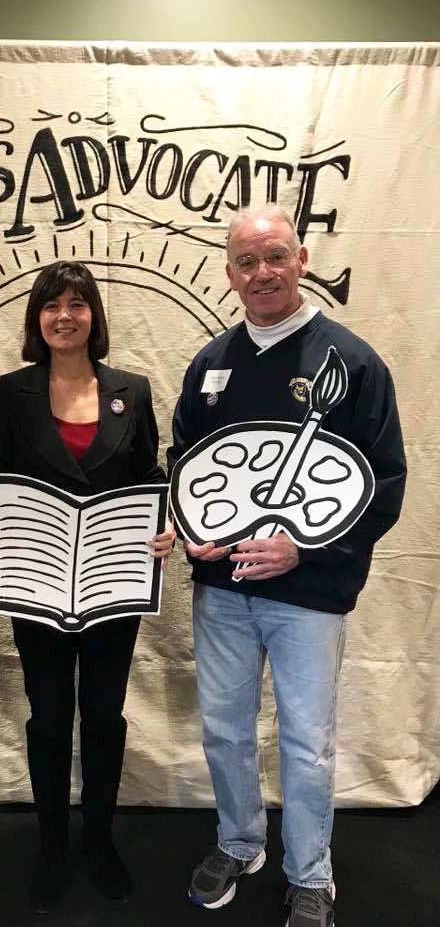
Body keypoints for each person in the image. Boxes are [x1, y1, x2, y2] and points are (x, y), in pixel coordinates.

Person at [167, 206, 406, 927]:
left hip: (309, 593)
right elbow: (184, 465)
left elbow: (383, 485)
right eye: (246, 261)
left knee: (306, 741)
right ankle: (240, 843)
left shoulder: (353, 363)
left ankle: (311, 875)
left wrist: (305, 548)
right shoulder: (210, 364)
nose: (261, 273)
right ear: (230, 272)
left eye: (275, 256)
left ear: (301, 260)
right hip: (223, 589)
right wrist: (190, 528)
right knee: (225, 730)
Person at [0, 260, 174, 914]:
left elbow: (149, 477)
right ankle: (53, 844)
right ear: (37, 318)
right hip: (37, 587)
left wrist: (162, 526)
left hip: (113, 587)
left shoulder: (131, 391)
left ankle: (100, 838)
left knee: (104, 718)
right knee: (50, 720)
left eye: (78, 304)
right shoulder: (9, 391)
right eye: (52, 305)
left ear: (94, 316)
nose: (65, 315)